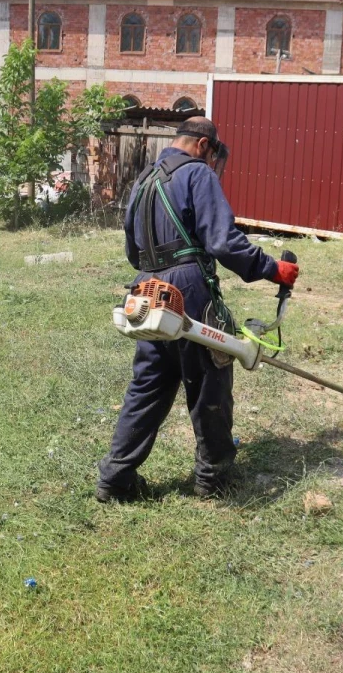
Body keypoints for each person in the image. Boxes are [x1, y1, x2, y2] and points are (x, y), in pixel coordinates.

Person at [96, 117, 299, 502]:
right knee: (210, 379)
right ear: (205, 145)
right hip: (188, 288)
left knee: (148, 386)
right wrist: (273, 268)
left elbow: (131, 250)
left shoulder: (143, 181)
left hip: (147, 290)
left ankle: (115, 480)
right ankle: (214, 477)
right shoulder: (198, 175)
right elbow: (222, 243)